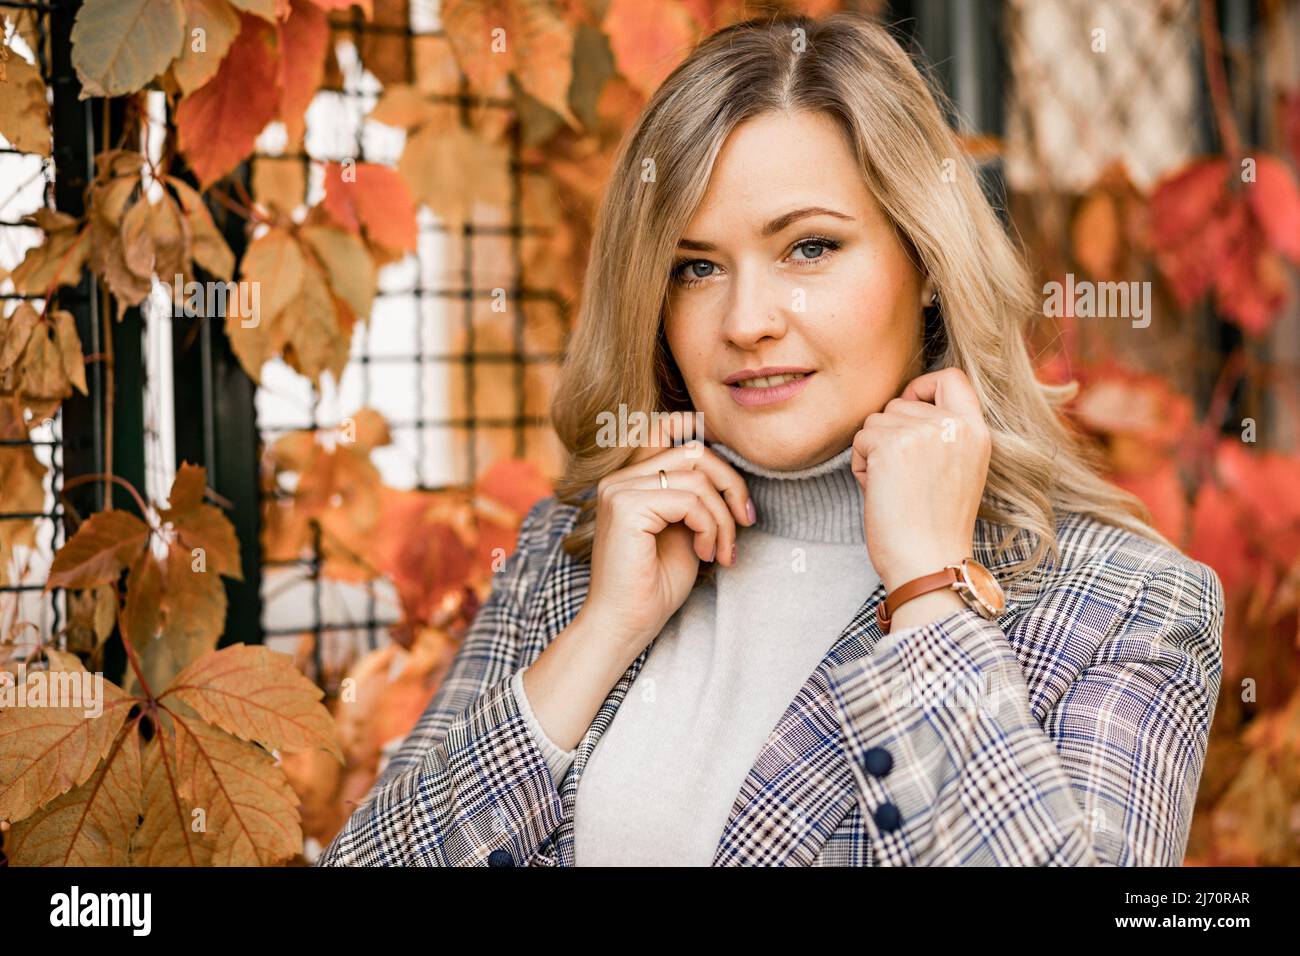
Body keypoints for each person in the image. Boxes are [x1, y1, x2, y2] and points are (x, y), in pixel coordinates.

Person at [316, 11, 1223, 867]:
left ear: (930, 264)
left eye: (811, 248)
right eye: (696, 267)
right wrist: (601, 636)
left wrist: (926, 589)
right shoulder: (575, 553)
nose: (747, 320)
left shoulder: (1132, 609)